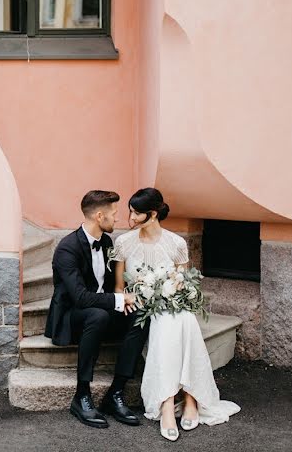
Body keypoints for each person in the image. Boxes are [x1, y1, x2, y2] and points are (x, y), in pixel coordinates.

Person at [111, 187, 240, 441]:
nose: (131, 218)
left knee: (181, 317)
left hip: (172, 304)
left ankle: (190, 399)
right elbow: (118, 286)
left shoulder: (177, 243)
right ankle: (169, 403)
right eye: (130, 211)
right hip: (142, 306)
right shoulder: (124, 243)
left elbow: (186, 283)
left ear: (153, 214)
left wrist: (172, 292)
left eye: (137, 213)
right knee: (169, 322)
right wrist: (128, 298)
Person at [44, 190, 148, 429]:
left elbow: (111, 285)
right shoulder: (67, 248)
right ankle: (81, 396)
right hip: (73, 316)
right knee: (98, 314)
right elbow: (79, 298)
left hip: (100, 312)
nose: (118, 219)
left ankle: (116, 391)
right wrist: (118, 301)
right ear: (100, 216)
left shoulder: (107, 242)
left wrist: (129, 297)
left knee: (140, 315)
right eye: (114, 214)